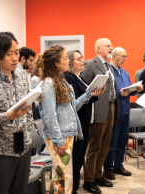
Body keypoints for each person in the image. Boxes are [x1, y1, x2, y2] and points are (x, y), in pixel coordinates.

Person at [37, 45, 102, 194]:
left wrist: (88, 95)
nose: (68, 61)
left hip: (68, 134)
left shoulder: (63, 82)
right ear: (56, 63)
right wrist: (59, 141)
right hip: (59, 137)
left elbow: (73, 107)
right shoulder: (48, 84)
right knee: (64, 177)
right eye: (65, 58)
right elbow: (49, 115)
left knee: (62, 176)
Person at [0, 32, 33, 193]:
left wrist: (28, 131)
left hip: (23, 146)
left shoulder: (22, 76)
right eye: (9, 54)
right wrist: (9, 116)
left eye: (16, 53)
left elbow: (28, 109)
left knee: (20, 190)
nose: (15, 58)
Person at [80, 38, 119, 194]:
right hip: (96, 110)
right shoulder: (90, 64)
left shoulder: (109, 66)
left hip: (110, 108)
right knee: (94, 146)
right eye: (108, 46)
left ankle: (98, 175)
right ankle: (88, 180)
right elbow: (82, 87)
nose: (111, 48)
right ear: (98, 49)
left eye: (111, 46)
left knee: (105, 146)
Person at [65, 50, 105, 194]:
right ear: (70, 62)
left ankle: (74, 187)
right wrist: (90, 94)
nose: (83, 60)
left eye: (82, 58)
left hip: (85, 121)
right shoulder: (69, 79)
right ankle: (72, 189)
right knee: (76, 159)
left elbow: (87, 96)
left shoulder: (79, 77)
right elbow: (74, 104)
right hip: (78, 122)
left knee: (80, 157)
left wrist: (96, 94)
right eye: (78, 59)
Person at [103, 47, 143, 180]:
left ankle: (118, 165)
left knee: (122, 141)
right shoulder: (108, 71)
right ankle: (108, 168)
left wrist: (135, 89)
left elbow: (129, 88)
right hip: (115, 112)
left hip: (126, 111)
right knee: (112, 142)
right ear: (114, 56)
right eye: (123, 56)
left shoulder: (124, 72)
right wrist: (120, 93)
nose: (125, 59)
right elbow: (106, 91)